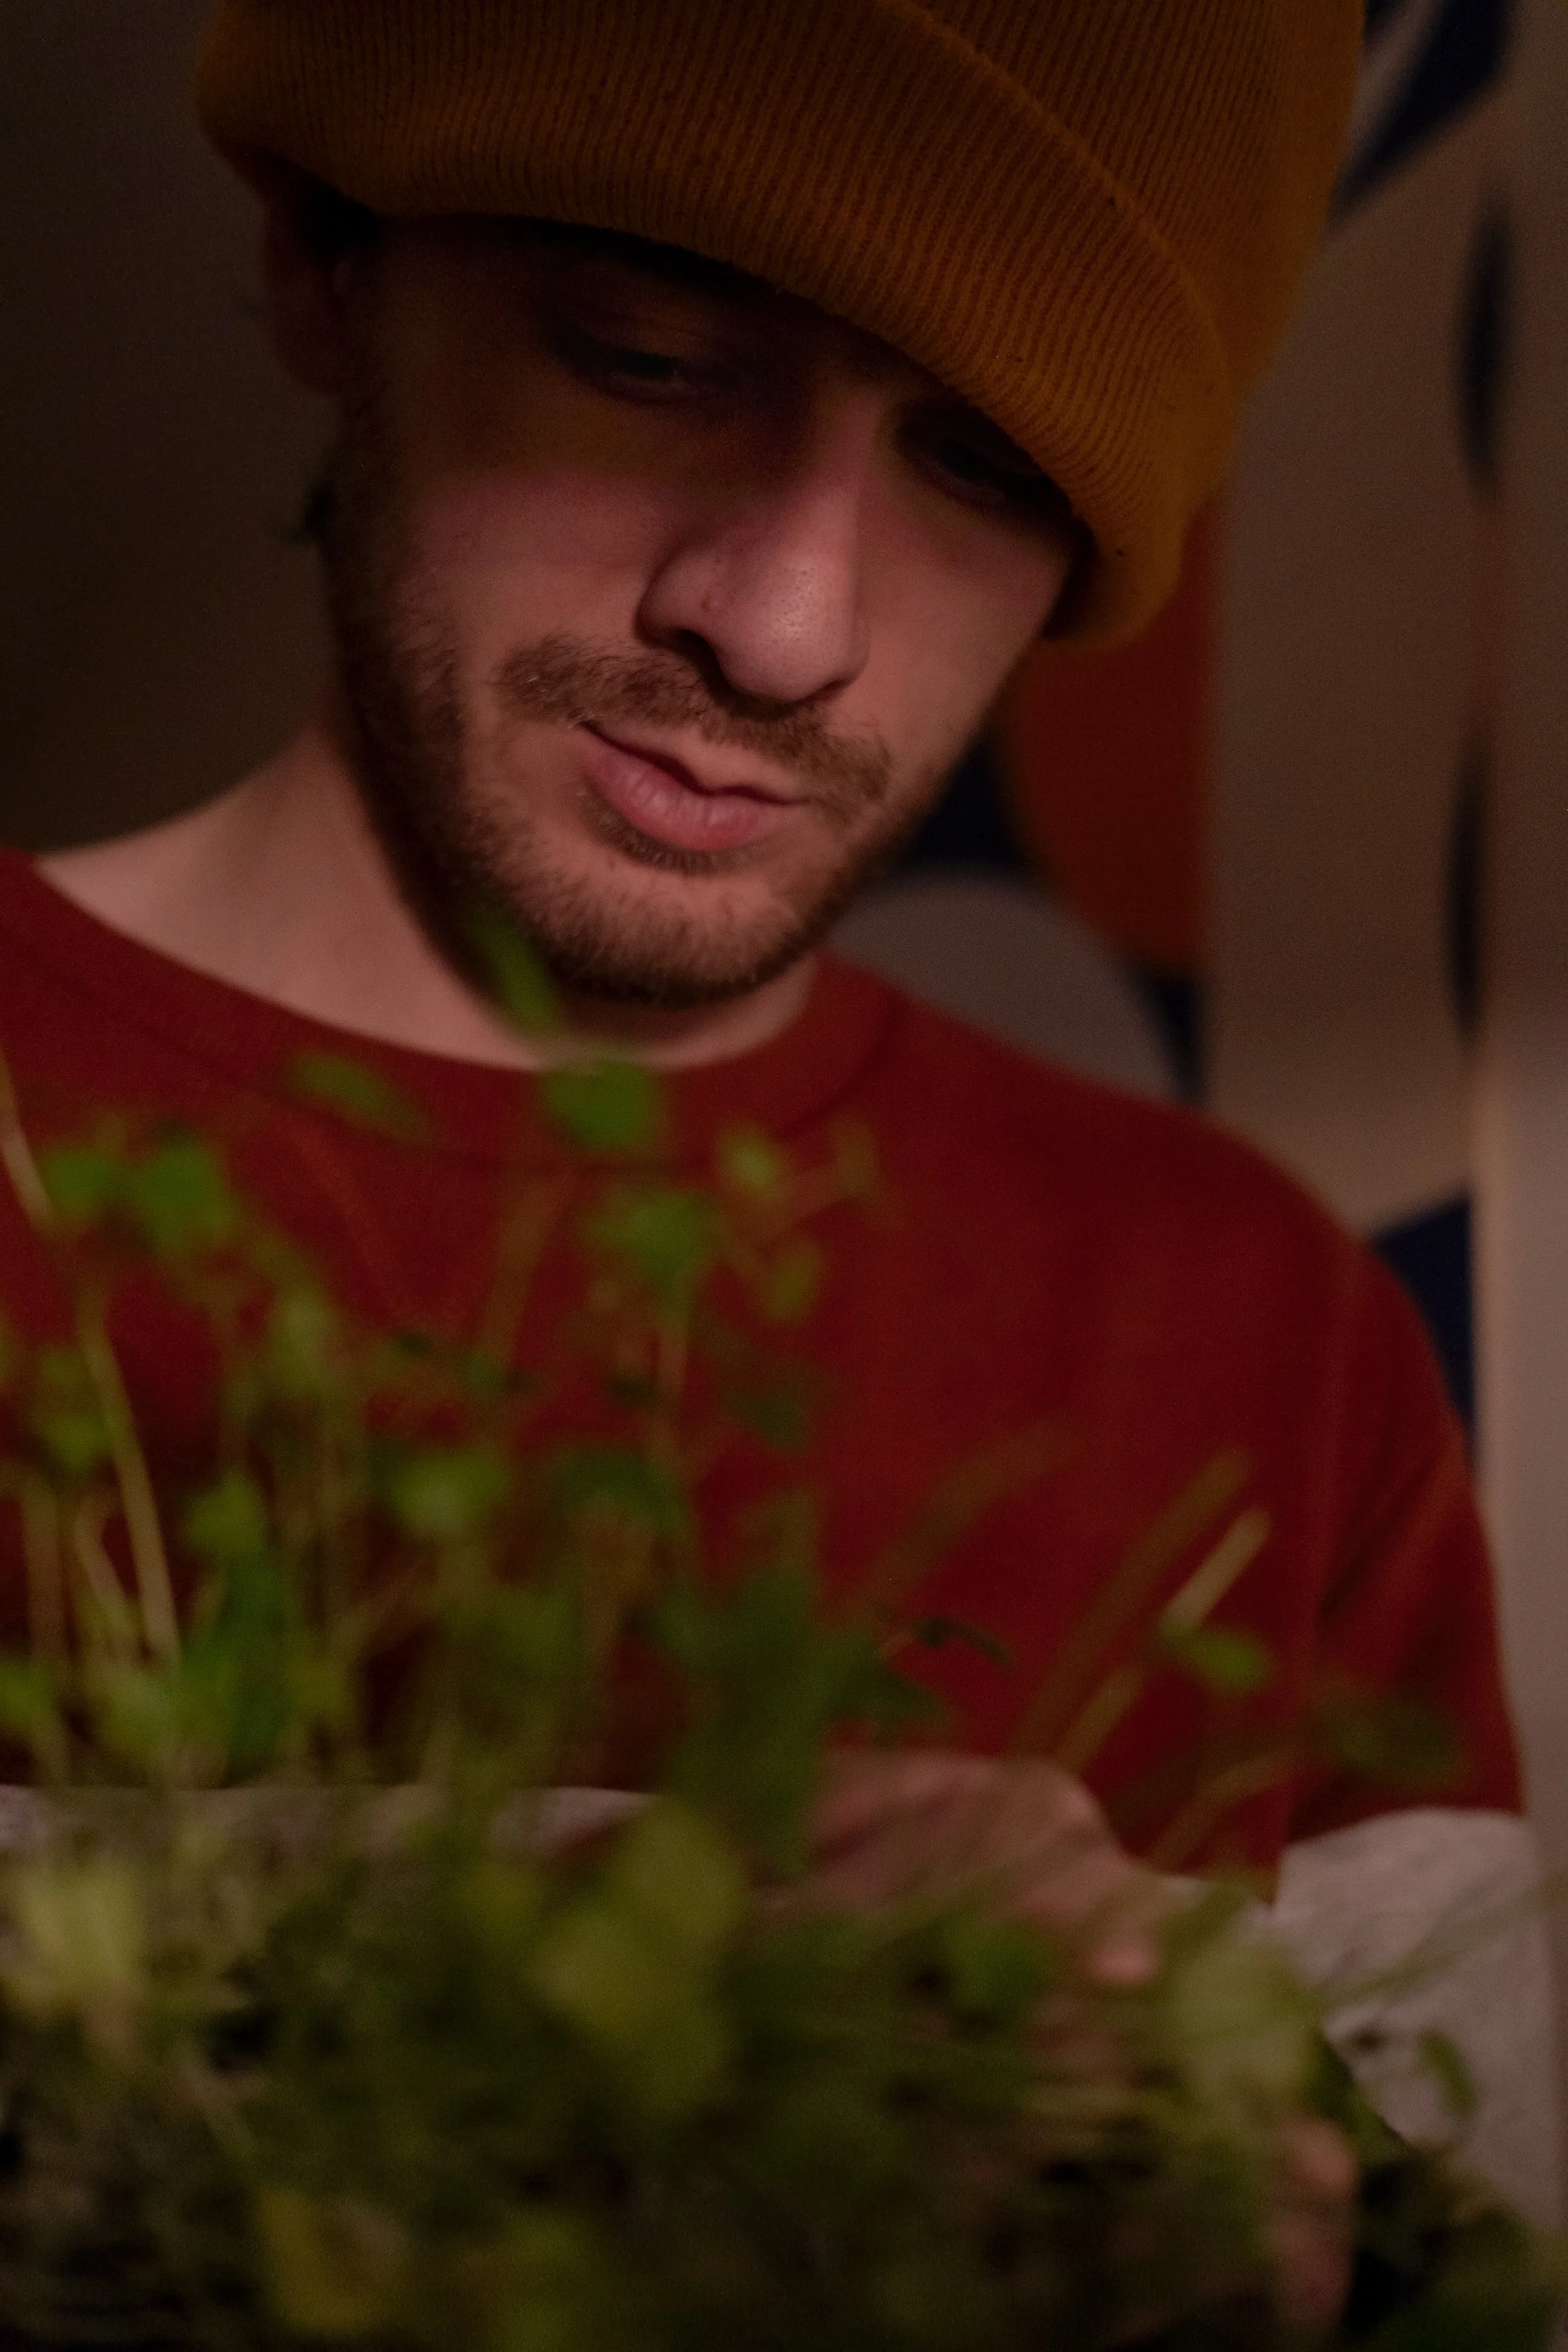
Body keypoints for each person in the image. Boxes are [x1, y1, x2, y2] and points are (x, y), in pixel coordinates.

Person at [0, 0, 1546, 2285]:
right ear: (326, 259)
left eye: (989, 468)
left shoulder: (1250, 1326)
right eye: (641, 354)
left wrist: (1258, 2184)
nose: (783, 624)